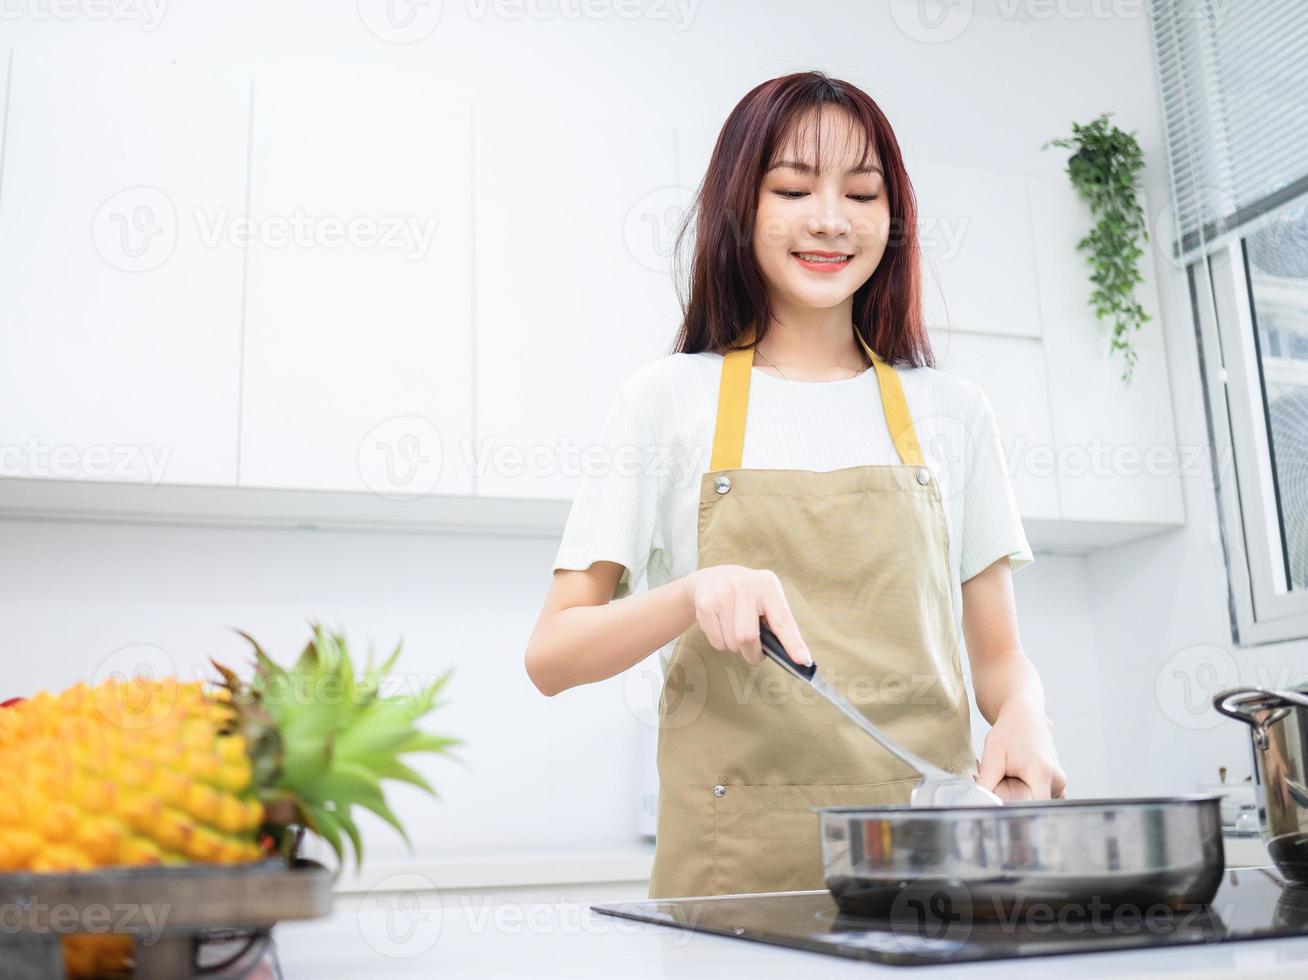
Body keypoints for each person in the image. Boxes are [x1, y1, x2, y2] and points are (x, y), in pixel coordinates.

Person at [524, 70, 1066, 900]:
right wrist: (696, 592)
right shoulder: (664, 400)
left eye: (861, 192)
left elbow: (999, 656)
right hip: (732, 878)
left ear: (894, 219)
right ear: (742, 208)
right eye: (792, 188)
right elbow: (553, 656)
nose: (829, 220)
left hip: (931, 870)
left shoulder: (954, 413)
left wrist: (1025, 714)